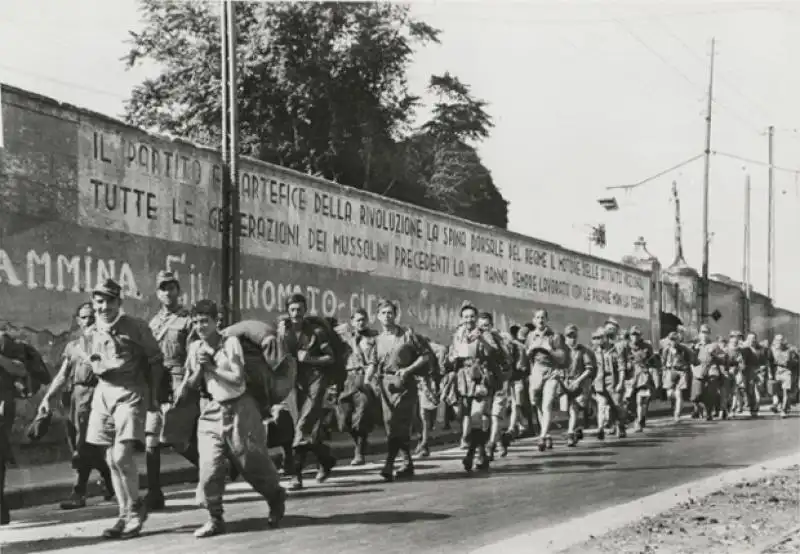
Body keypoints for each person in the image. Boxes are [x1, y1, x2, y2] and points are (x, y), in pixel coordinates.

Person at [177, 299, 286, 538]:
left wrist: (212, 366)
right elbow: (194, 384)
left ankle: (275, 496)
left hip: (240, 408)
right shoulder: (195, 347)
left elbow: (237, 379)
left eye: (205, 321)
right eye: (196, 322)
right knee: (209, 468)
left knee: (252, 464)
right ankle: (215, 518)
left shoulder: (231, 343)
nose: (200, 327)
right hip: (211, 411)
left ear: (217, 321)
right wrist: (198, 370)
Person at [85, 278, 163, 540]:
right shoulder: (92, 330)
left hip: (130, 392)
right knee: (109, 460)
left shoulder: (136, 327)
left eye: (109, 301)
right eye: (99, 301)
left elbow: (155, 360)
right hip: (103, 394)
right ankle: (123, 513)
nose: (104, 306)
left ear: (119, 302)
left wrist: (153, 399)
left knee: (121, 457)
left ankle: (134, 512)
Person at [38, 302, 114, 510]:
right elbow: (63, 375)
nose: (88, 321)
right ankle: (111, 482)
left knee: (84, 446)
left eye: (92, 316)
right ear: (78, 320)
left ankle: (78, 493)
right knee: (79, 445)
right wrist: (48, 398)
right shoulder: (73, 346)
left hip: (96, 395)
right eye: (83, 317)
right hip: (75, 397)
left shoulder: (105, 343)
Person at [144, 270, 194, 510]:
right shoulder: (153, 323)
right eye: (163, 288)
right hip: (157, 383)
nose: (167, 292)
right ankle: (154, 493)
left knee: (176, 438)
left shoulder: (188, 320)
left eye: (171, 287)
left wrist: (186, 385)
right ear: (158, 293)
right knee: (151, 436)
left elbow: (193, 356)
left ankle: (216, 468)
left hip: (178, 381)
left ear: (178, 290)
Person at [281, 294, 337, 490]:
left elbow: (330, 358)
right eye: (292, 309)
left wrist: (310, 359)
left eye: (299, 309)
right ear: (287, 311)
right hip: (293, 382)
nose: (296, 313)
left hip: (315, 380)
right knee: (300, 425)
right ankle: (326, 458)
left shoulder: (316, 332)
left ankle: (296, 475)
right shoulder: (283, 330)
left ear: (305, 310)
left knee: (303, 426)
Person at [373, 299, 431, 481]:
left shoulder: (408, 335)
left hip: (405, 384)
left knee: (399, 422)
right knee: (391, 425)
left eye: (390, 312)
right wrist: (371, 379)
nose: (387, 316)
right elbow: (374, 363)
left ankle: (389, 464)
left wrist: (408, 370)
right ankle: (407, 462)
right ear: (378, 316)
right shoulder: (377, 340)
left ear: (395, 315)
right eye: (383, 313)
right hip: (386, 385)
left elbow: (426, 356)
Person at [335, 308, 378, 466]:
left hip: (363, 376)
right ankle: (360, 442)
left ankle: (359, 451)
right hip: (346, 378)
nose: (361, 323)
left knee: (361, 416)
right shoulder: (344, 337)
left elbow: (369, 359)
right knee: (343, 420)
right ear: (352, 322)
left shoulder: (373, 338)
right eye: (357, 320)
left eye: (363, 319)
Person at [523, 309, 567, 451]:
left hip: (551, 371)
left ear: (547, 320)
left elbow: (562, 358)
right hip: (536, 370)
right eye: (537, 317)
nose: (540, 320)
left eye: (543, 317)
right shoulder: (530, 336)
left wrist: (550, 350)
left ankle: (541, 436)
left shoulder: (554, 336)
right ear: (534, 320)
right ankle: (546, 433)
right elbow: (525, 357)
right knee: (537, 403)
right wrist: (529, 351)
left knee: (547, 403)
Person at [561, 324, 595, 446]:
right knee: (569, 410)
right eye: (569, 336)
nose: (572, 339)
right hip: (565, 384)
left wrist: (578, 381)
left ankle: (570, 433)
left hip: (580, 383)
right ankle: (576, 428)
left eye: (574, 336)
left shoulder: (582, 351)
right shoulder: (562, 351)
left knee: (574, 409)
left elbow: (589, 369)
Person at [591, 327, 626, 439]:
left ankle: (620, 425)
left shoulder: (616, 351)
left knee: (617, 406)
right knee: (601, 406)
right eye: (596, 338)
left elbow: (621, 368)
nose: (598, 340)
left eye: (600, 337)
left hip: (613, 383)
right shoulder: (595, 351)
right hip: (600, 383)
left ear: (606, 338)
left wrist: (621, 382)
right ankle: (600, 428)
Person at [626, 326, 658, 432]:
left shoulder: (647, 347)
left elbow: (653, 362)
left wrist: (655, 377)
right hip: (629, 377)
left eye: (637, 334)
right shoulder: (626, 346)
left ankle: (639, 421)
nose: (635, 337)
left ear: (640, 336)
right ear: (630, 336)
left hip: (643, 376)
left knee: (641, 400)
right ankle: (637, 417)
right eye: (633, 334)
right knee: (629, 401)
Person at [769, 335, 798, 417]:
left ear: (783, 341)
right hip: (777, 372)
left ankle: (783, 410)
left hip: (787, 372)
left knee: (786, 392)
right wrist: (770, 372)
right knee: (777, 391)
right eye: (777, 340)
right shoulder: (772, 349)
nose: (779, 342)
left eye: (780, 340)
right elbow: (770, 361)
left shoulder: (790, 350)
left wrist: (790, 363)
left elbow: (796, 361)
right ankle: (778, 404)